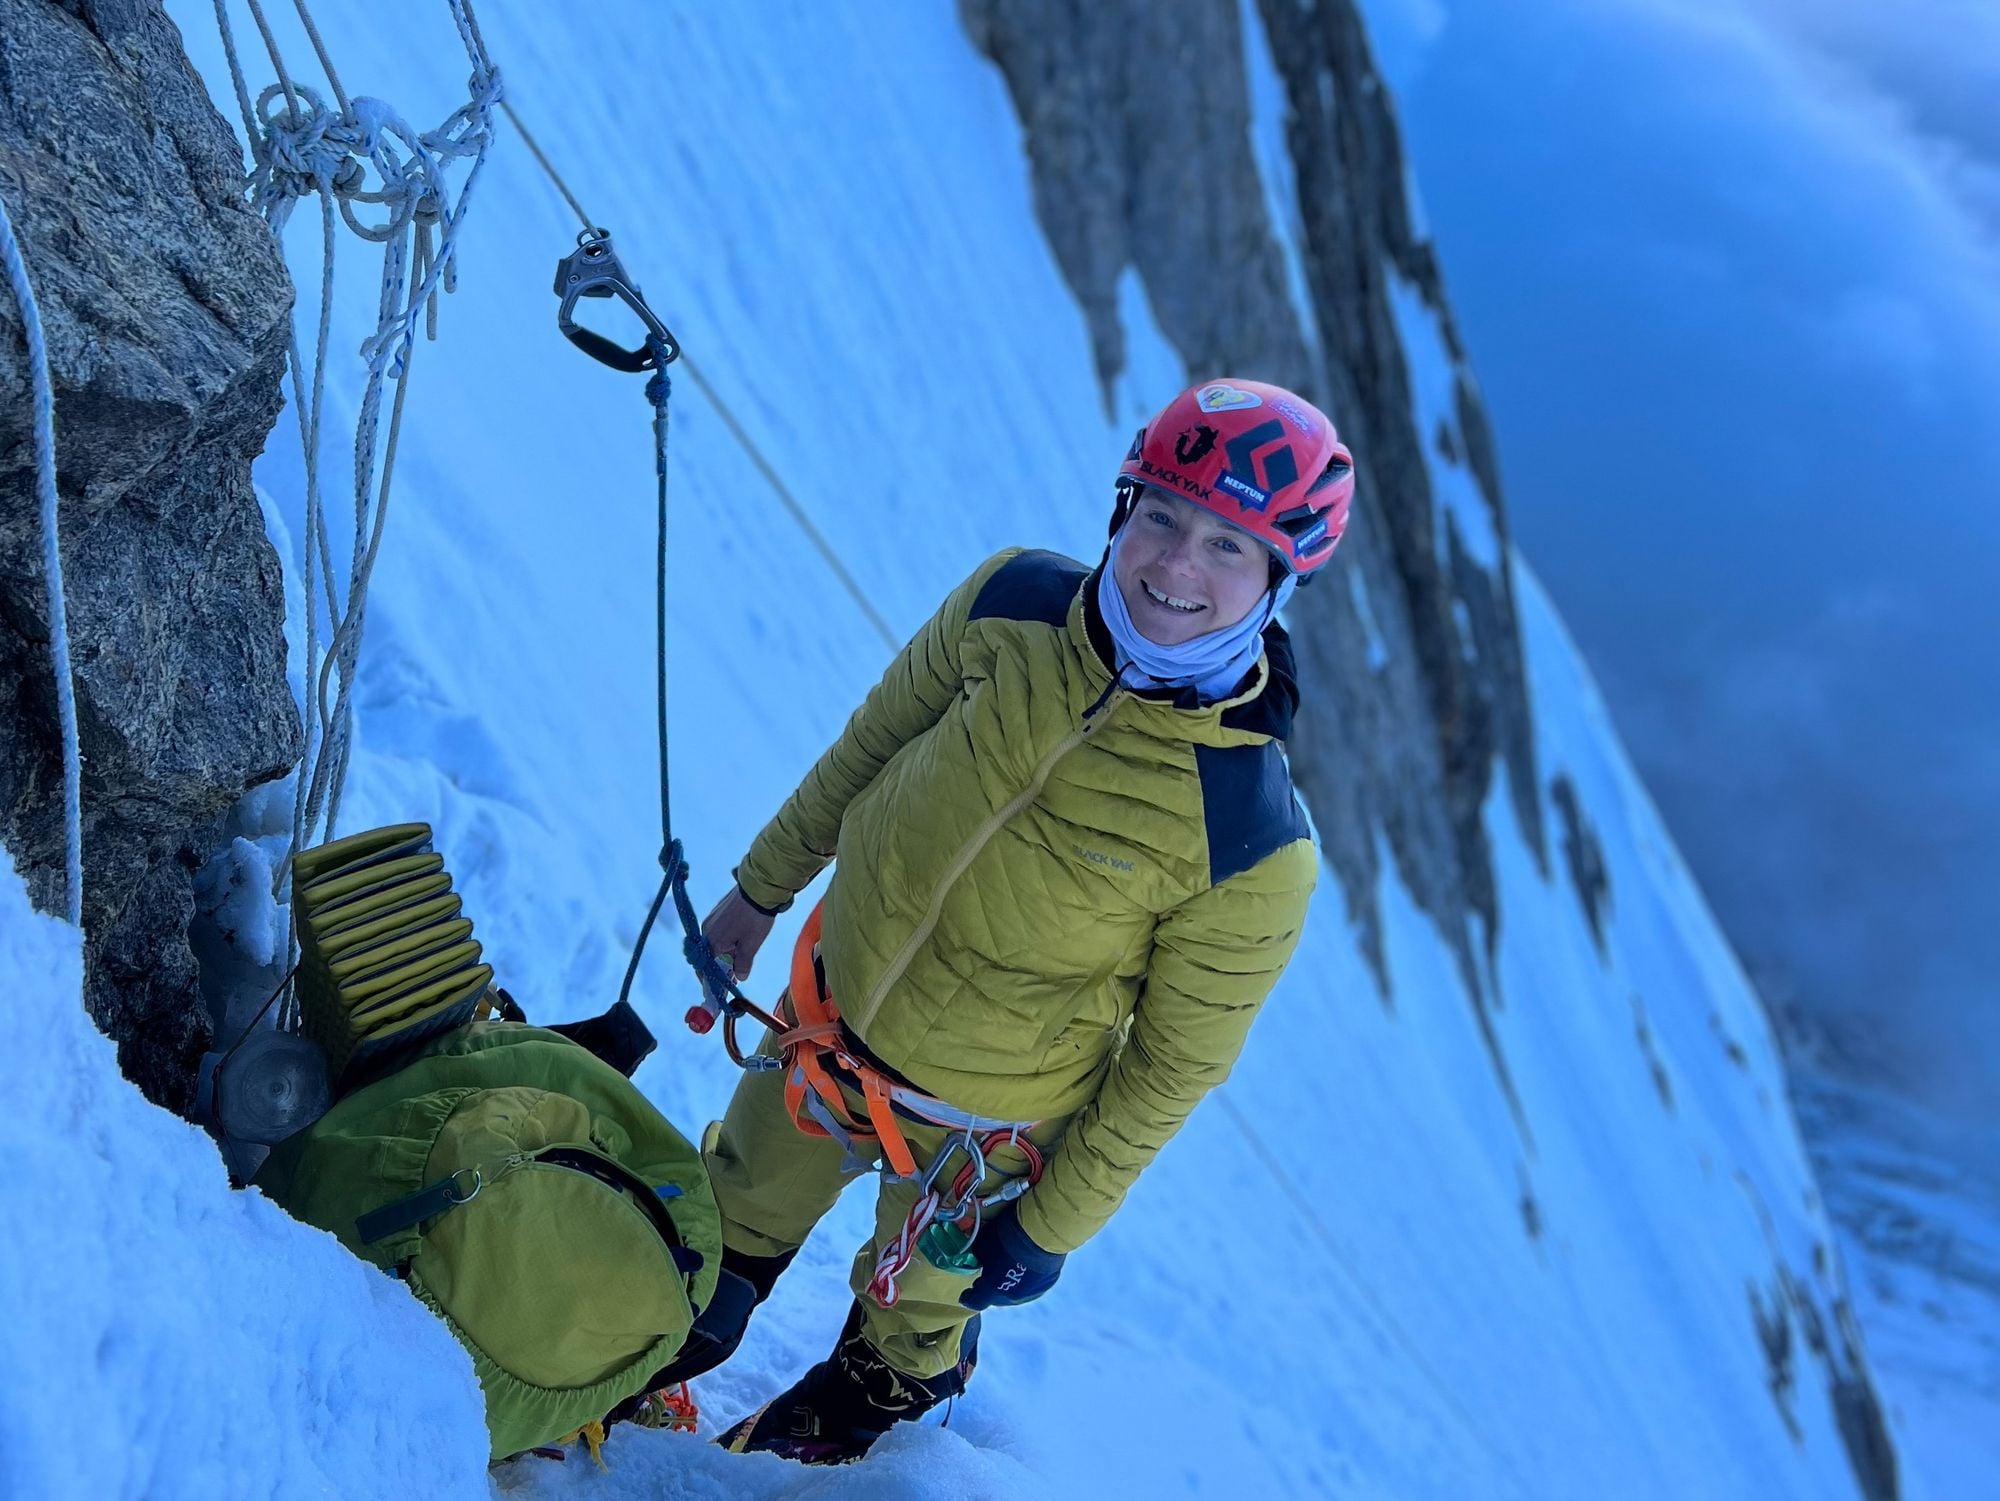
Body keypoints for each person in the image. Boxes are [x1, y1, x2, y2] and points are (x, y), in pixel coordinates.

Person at [671, 378, 1354, 1463]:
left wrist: (1049, 1228)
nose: (1176, 566)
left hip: (978, 1139)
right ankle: (643, 1362)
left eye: (1230, 547)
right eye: (1162, 515)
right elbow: (870, 747)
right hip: (822, 1025)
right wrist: (759, 889)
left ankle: (867, 1411)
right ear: (1121, 508)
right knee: (714, 1244)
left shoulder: (1253, 840)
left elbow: (1170, 1067)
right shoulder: (1015, 602)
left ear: (1279, 580)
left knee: (897, 1351)